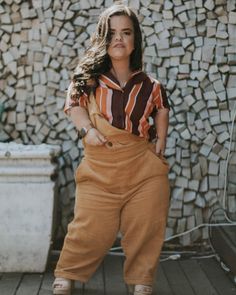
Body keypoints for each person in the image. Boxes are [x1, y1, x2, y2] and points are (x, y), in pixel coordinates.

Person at [53, 3, 170, 295]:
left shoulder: (150, 84)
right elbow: (73, 105)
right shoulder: (88, 79)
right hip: (100, 166)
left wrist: (161, 142)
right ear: (102, 38)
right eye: (112, 32)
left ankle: (142, 281)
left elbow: (162, 110)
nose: (119, 38)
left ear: (135, 40)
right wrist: (87, 130)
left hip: (142, 166)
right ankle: (67, 274)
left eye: (126, 32)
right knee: (90, 228)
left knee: (147, 223)